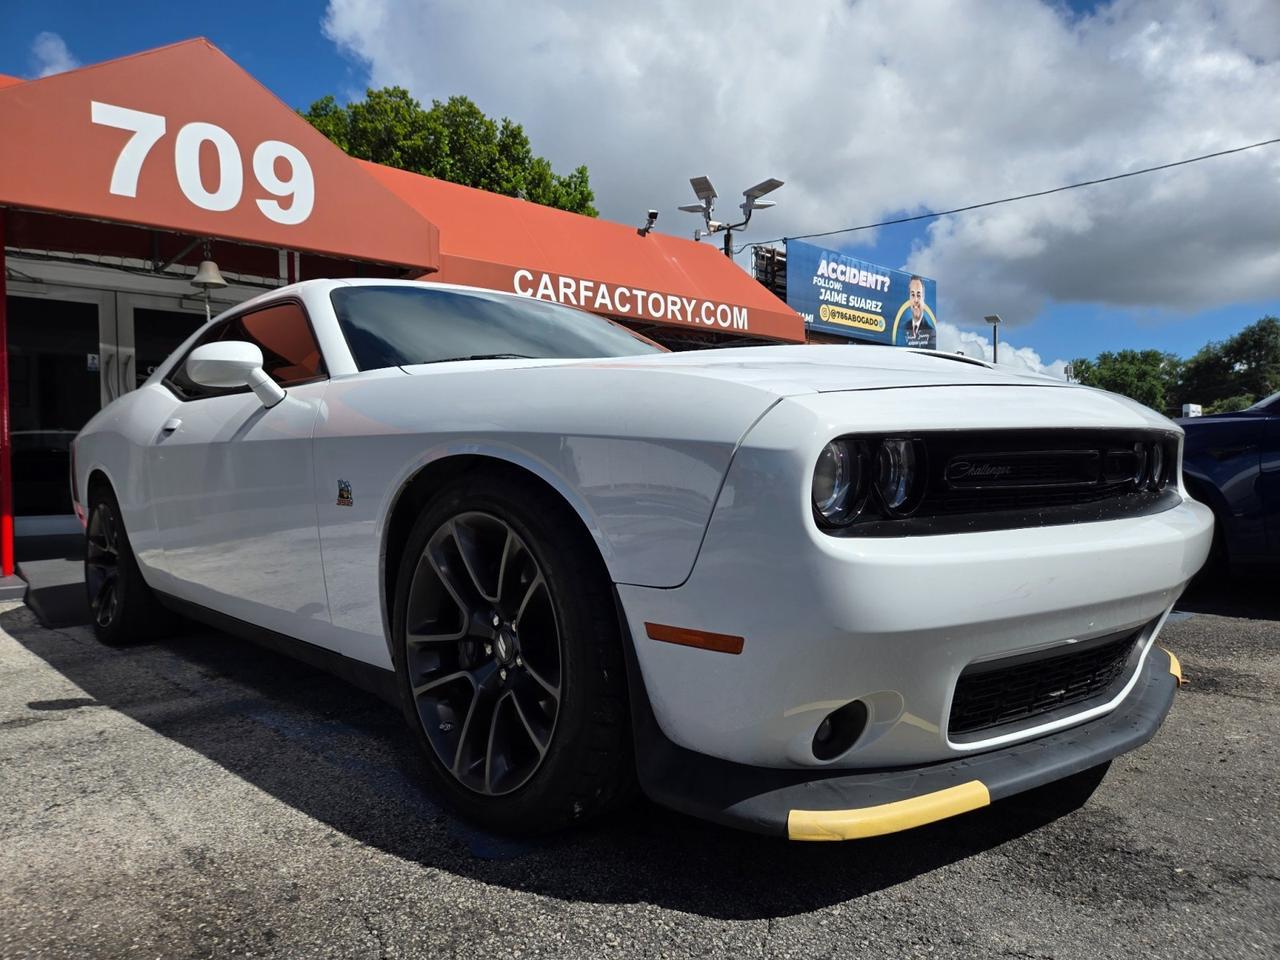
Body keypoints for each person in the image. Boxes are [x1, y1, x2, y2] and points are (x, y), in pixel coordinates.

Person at [897, 275, 935, 348]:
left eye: (919, 295)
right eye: (912, 295)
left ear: (923, 298)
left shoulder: (931, 332)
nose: (916, 300)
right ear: (909, 298)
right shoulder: (902, 329)